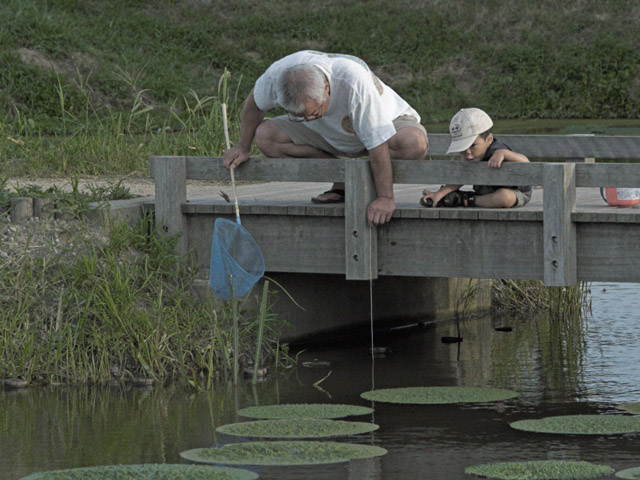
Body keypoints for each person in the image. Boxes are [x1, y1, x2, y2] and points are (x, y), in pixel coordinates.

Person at [222, 50, 428, 226]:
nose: (309, 119)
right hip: (328, 136)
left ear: (327, 89)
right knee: (266, 136)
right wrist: (242, 146)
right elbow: (254, 104)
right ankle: (342, 180)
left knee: (413, 144)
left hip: (383, 126)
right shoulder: (277, 76)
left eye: (313, 112)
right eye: (300, 116)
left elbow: (377, 142)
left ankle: (359, 180)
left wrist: (385, 198)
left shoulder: (354, 81)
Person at [420, 108, 531, 208]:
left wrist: (505, 154)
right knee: (495, 195)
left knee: (504, 197)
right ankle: (455, 198)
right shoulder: (470, 156)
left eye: (473, 146)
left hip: (515, 192)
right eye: (462, 148)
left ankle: (466, 199)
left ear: (488, 140)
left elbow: (526, 163)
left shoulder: (498, 150)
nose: (467, 152)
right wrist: (439, 194)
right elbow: (463, 176)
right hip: (485, 191)